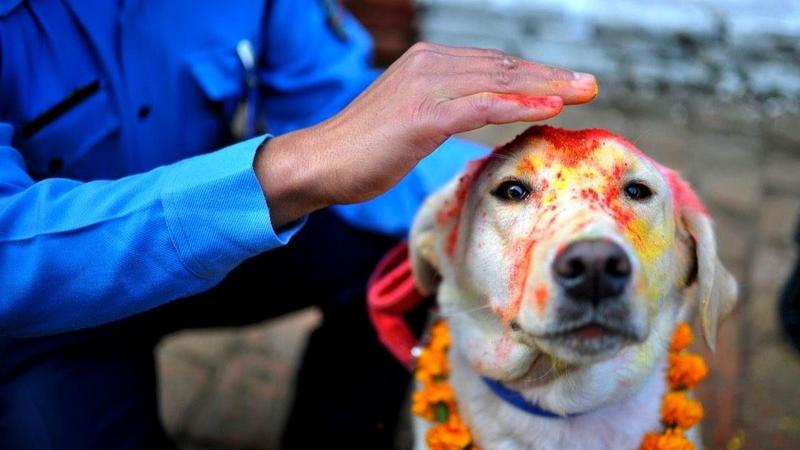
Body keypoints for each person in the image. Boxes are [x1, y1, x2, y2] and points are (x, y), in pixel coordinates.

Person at [0, 1, 598, 449]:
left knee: (408, 250)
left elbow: (335, 107)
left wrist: (520, 204)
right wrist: (290, 170)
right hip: (46, 318)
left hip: (217, 242)